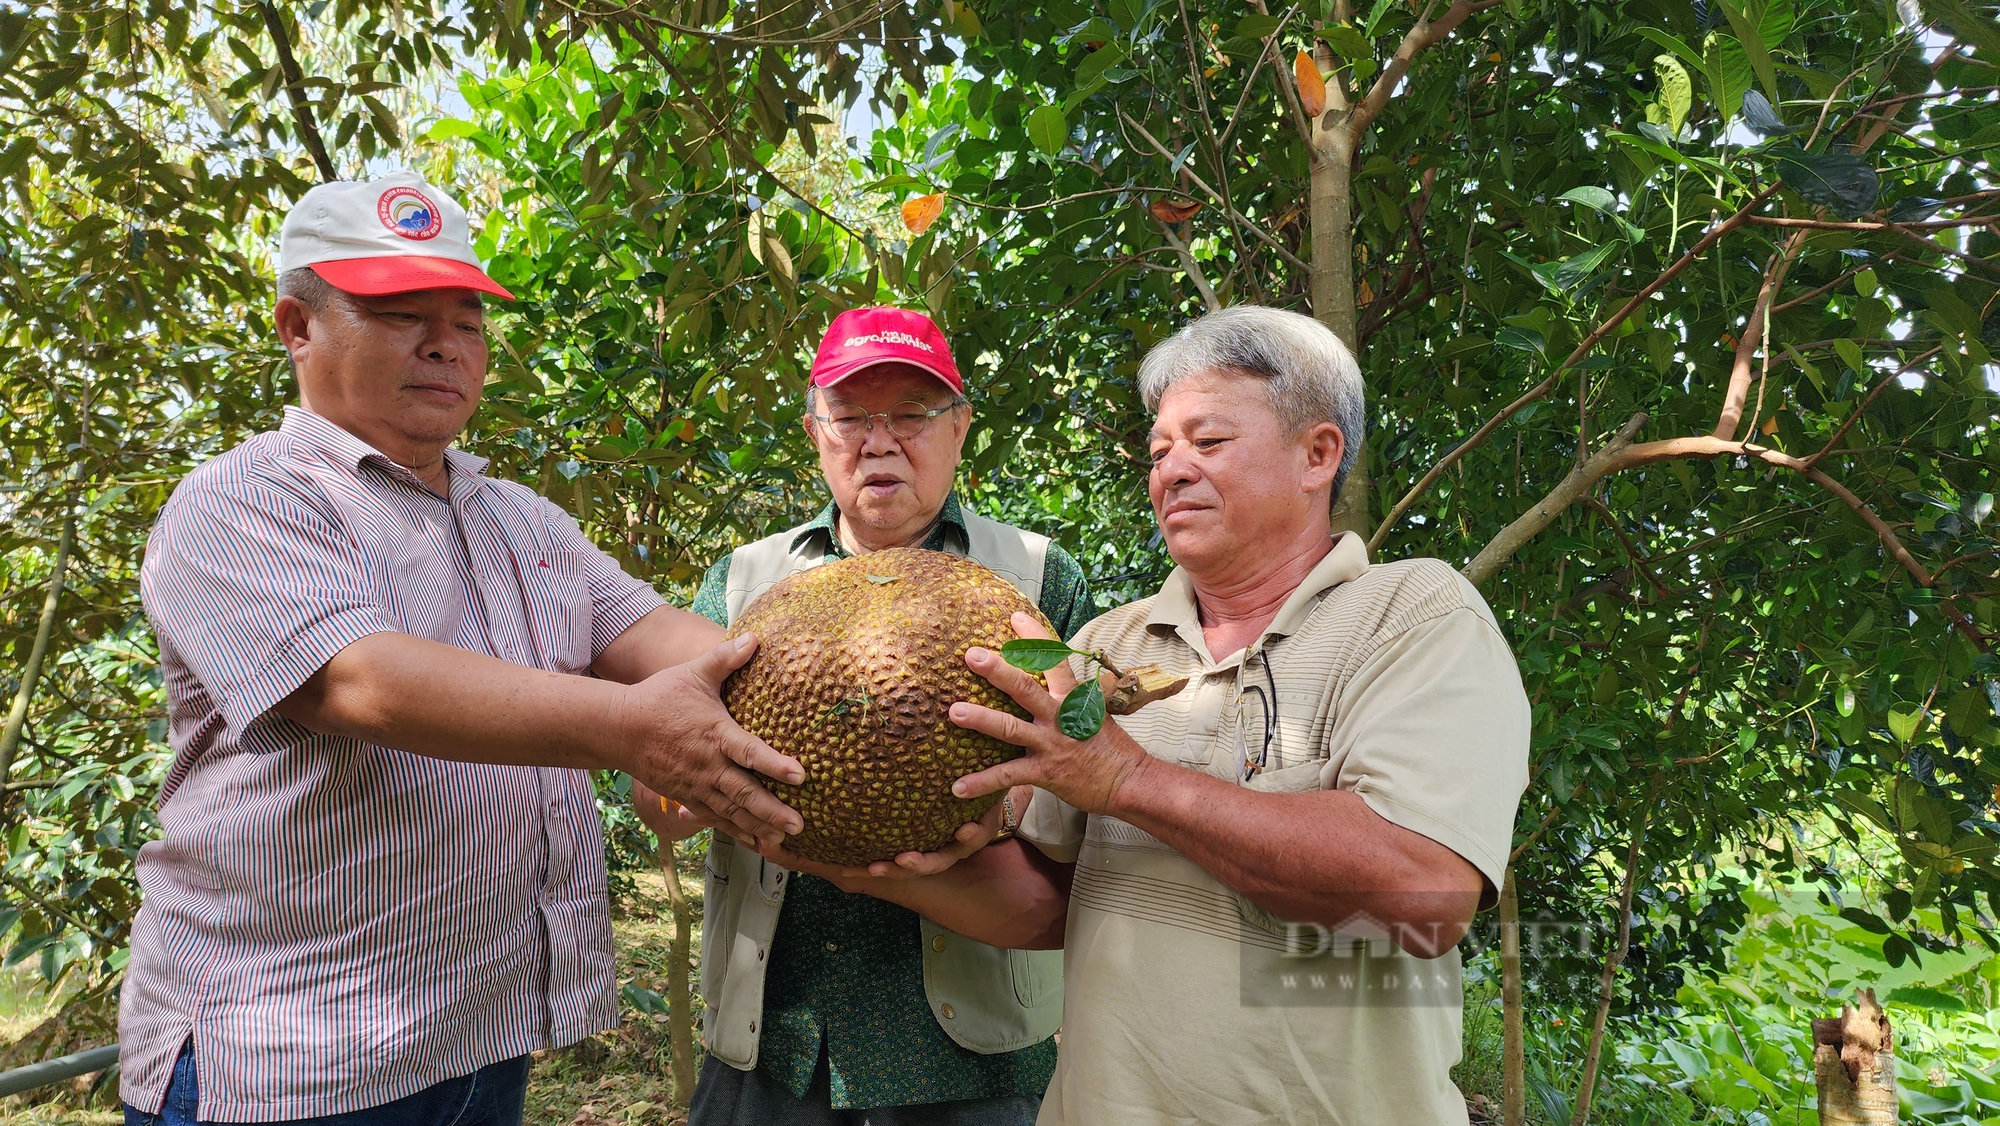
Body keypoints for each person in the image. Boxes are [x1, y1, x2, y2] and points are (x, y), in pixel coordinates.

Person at [123, 172, 805, 1126]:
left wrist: (835, 675)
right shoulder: (240, 501)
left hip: (479, 1038)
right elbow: (366, 682)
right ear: (298, 326)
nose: (446, 342)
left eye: (469, 320)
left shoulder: (518, 517)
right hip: (295, 1060)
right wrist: (634, 731)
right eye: (401, 312)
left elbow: (670, 641)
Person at [776, 305, 1532, 1125]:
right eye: (1160, 450)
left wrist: (1129, 779)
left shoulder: (1416, 614)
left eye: (1208, 444)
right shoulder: (1109, 645)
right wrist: (865, 859)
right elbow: (1053, 901)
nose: (1173, 471)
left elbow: (1425, 891)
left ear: (1318, 454)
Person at [631, 306, 1094, 1125]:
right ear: (818, 433)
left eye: (912, 415)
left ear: (959, 430)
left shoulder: (1037, 578)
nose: (879, 441)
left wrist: (1007, 806)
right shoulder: (741, 586)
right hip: (778, 1039)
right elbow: (659, 799)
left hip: (974, 1054)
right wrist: (697, 786)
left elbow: (1089, 785)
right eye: (850, 416)